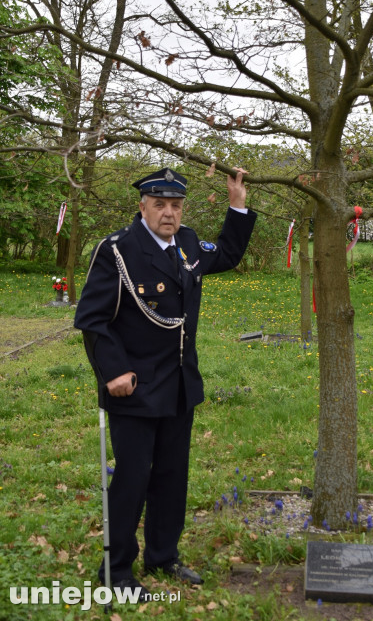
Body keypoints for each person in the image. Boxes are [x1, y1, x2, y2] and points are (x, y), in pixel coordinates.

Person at [75, 166, 256, 599]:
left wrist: (237, 205)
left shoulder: (189, 243)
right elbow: (93, 319)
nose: (169, 214)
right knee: (133, 477)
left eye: (175, 206)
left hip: (178, 385)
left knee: (173, 477)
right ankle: (116, 569)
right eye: (160, 205)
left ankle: (163, 555)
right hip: (134, 387)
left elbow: (228, 254)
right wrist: (113, 372)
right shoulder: (118, 250)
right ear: (143, 207)